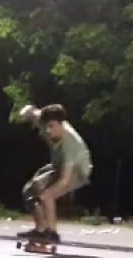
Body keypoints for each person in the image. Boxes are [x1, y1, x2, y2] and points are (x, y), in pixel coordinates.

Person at [15, 103, 94, 243]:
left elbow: (64, 180)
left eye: (51, 126)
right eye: (46, 126)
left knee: (47, 195)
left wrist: (47, 193)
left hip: (77, 170)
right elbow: (31, 110)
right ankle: (40, 230)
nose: (48, 130)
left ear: (61, 124)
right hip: (57, 164)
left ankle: (52, 233)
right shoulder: (45, 119)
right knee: (30, 189)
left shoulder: (70, 144)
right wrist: (25, 113)